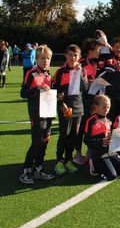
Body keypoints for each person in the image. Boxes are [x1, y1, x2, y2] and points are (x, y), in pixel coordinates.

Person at [19, 45, 55, 184]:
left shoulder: (49, 74)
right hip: (36, 114)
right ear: (37, 58)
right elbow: (23, 93)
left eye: (48, 58)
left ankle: (38, 169)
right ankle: (25, 170)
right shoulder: (31, 73)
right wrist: (36, 89)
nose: (46, 61)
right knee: (36, 142)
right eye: (42, 58)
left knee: (45, 141)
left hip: (48, 112)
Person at [52, 44, 88, 175]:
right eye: (71, 55)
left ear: (79, 57)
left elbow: (85, 89)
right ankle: (59, 162)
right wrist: (60, 100)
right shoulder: (60, 72)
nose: (73, 57)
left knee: (73, 136)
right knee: (64, 135)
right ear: (66, 56)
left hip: (78, 108)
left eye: (76, 55)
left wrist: (81, 75)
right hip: (66, 108)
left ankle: (68, 160)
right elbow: (54, 90)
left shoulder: (82, 71)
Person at [84, 94, 120, 180]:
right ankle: (93, 164)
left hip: (111, 152)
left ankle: (108, 165)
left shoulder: (109, 120)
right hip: (98, 154)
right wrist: (101, 141)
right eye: (104, 107)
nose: (106, 110)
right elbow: (86, 140)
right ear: (96, 107)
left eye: (108, 107)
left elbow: (113, 135)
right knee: (112, 176)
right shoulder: (91, 121)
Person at [74, 39, 102, 165]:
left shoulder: (95, 63)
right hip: (83, 100)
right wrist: (86, 83)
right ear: (90, 50)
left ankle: (89, 151)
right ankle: (77, 153)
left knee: (91, 126)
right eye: (97, 49)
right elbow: (75, 83)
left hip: (94, 98)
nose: (100, 51)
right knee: (81, 127)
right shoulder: (80, 63)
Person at [97, 37, 120, 122]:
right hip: (110, 96)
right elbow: (101, 78)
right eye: (116, 47)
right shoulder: (107, 60)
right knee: (110, 121)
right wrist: (113, 69)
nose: (118, 49)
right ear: (112, 47)